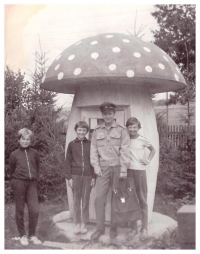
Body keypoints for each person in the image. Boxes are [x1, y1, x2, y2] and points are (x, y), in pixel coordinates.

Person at [90, 102, 130, 240]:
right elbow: (94, 150)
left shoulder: (122, 130)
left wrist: (124, 169)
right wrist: (96, 166)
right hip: (103, 168)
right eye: (105, 114)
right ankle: (100, 229)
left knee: (116, 198)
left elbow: (125, 150)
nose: (107, 116)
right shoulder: (96, 131)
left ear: (114, 114)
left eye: (110, 114)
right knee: (99, 199)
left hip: (118, 167)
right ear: (102, 115)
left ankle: (114, 227)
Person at [9, 128, 42, 246]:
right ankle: (22, 235)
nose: (25, 141)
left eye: (28, 139)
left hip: (32, 183)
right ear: (19, 140)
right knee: (20, 209)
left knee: (35, 209)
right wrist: (17, 180)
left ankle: (32, 235)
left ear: (30, 141)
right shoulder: (14, 154)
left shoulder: (35, 153)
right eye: (23, 139)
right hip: (19, 182)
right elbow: (11, 170)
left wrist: (35, 179)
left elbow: (37, 168)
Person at [126, 117, 156, 241]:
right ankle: (134, 228)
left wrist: (147, 160)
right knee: (131, 200)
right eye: (130, 127)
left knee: (142, 199)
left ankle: (144, 228)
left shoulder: (142, 139)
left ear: (139, 128)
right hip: (128, 172)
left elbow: (153, 150)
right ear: (127, 127)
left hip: (140, 172)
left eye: (135, 127)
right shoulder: (125, 140)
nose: (132, 129)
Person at [64, 121, 96, 234]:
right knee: (77, 200)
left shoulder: (91, 144)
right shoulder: (72, 144)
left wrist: (94, 176)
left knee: (86, 200)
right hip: (75, 176)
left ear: (87, 131)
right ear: (76, 130)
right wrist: (69, 177)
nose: (81, 132)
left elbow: (94, 160)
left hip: (88, 176)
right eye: (79, 130)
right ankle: (77, 223)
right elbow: (68, 161)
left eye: (84, 130)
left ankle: (84, 223)